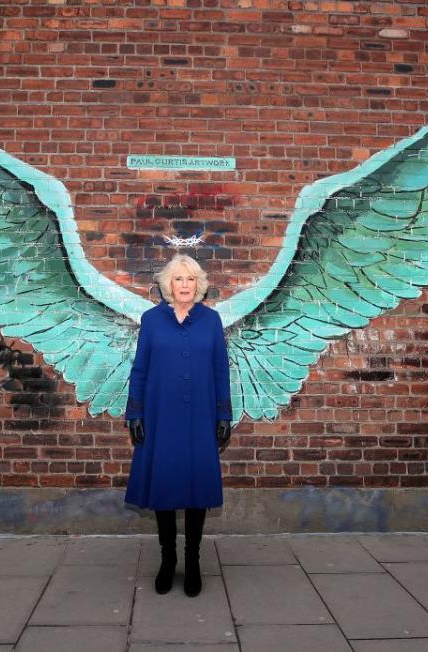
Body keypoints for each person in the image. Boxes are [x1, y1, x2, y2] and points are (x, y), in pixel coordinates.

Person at [123, 253, 233, 597]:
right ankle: (168, 561)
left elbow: (220, 370)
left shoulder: (211, 321)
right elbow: (140, 368)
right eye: (177, 279)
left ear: (198, 285)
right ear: (167, 285)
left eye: (190, 279)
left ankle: (193, 561)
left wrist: (223, 415)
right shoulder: (152, 320)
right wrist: (135, 413)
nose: (184, 285)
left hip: (200, 415)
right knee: (166, 488)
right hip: (161, 415)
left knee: (197, 488)